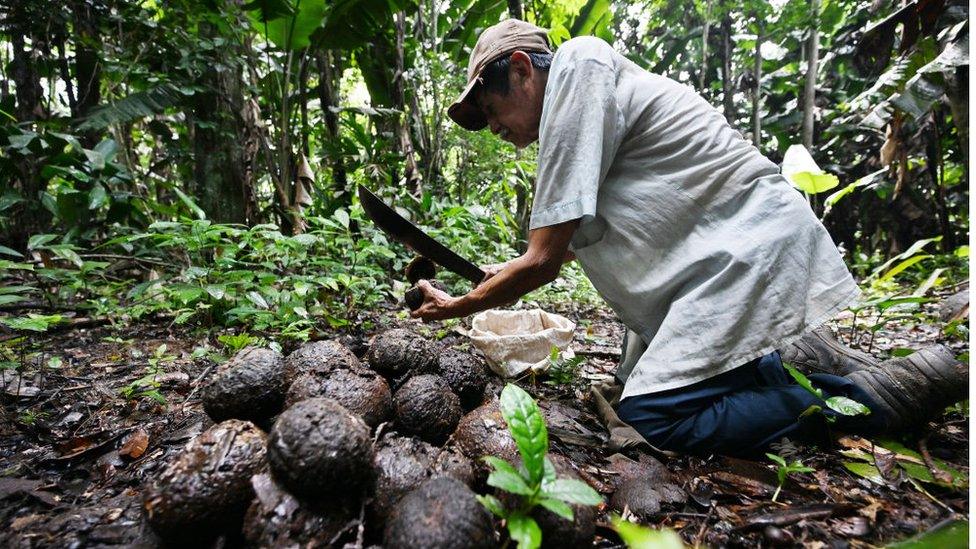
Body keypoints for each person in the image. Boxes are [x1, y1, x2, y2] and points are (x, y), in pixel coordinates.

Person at [409, 19, 967, 456]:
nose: (498, 129)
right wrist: (500, 277)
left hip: (745, 251)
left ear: (522, 69)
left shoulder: (578, 69)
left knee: (654, 415)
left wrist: (468, 303)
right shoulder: (583, 111)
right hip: (726, 261)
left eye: (491, 107)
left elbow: (543, 261)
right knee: (645, 385)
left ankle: (864, 399)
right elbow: (566, 245)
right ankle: (791, 370)